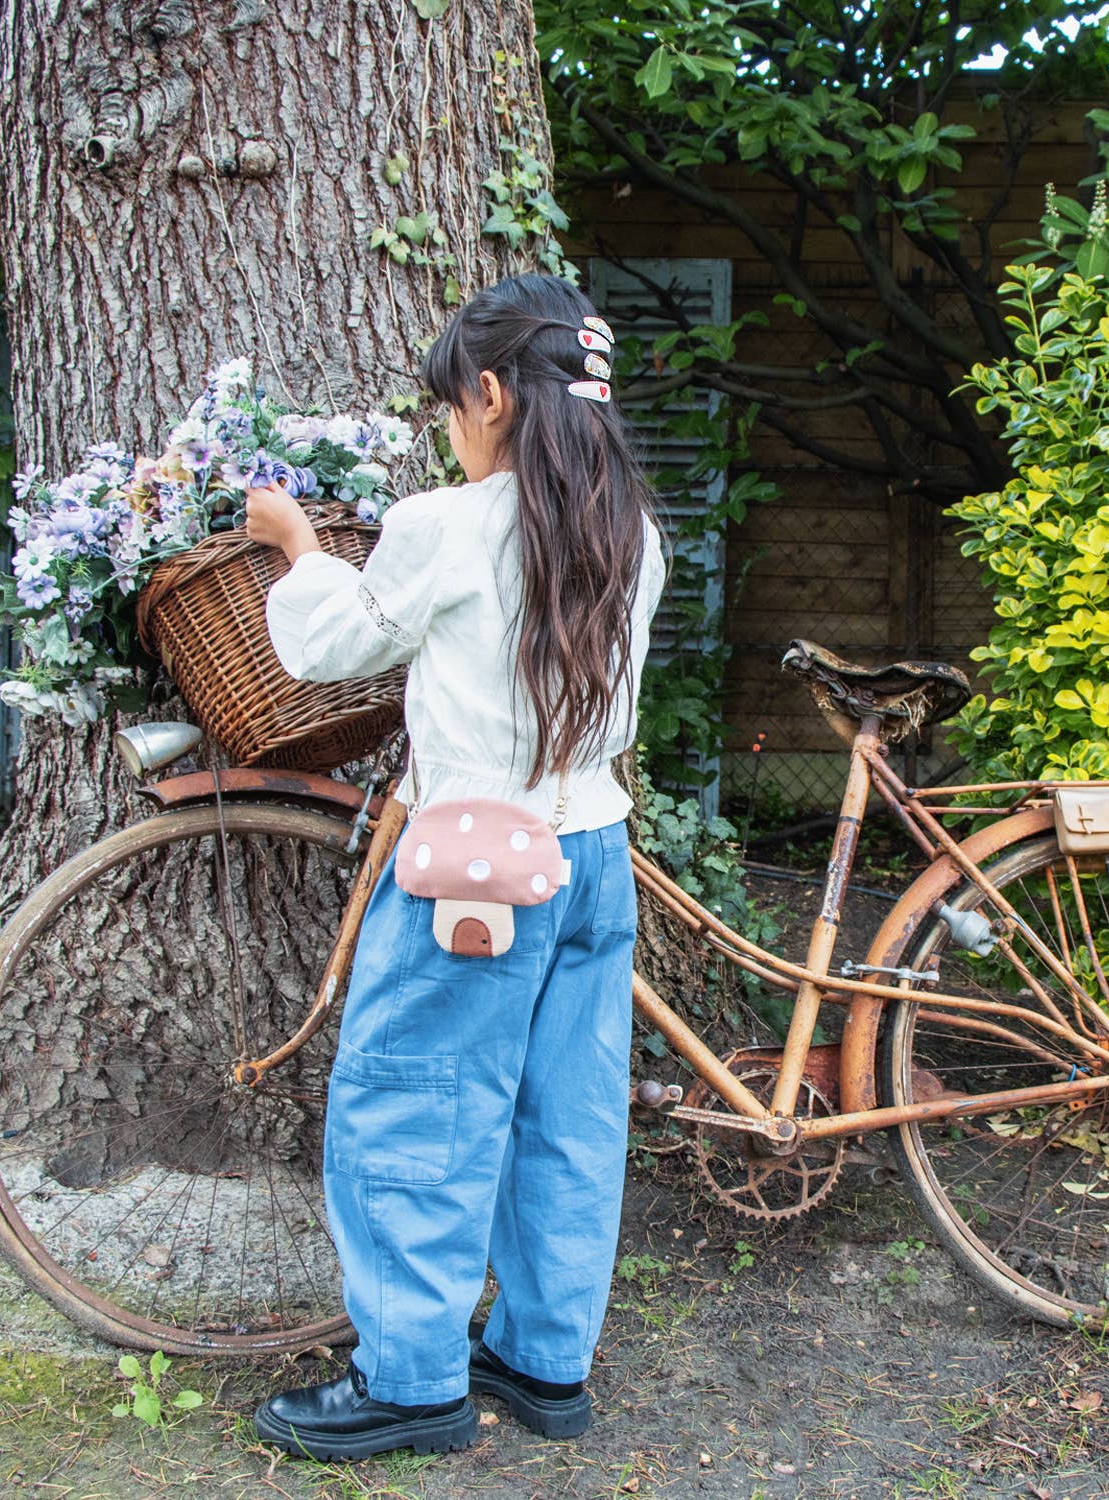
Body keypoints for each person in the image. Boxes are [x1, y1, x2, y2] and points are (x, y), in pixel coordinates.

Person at [240, 274, 665, 1462]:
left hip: (472, 871)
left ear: (487, 391)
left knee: (414, 1106)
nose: (448, 426)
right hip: (591, 851)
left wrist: (300, 547)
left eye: (450, 405)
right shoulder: (629, 527)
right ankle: (542, 1364)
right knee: (566, 1115)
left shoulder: (449, 524)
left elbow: (329, 646)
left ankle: (414, 1384)